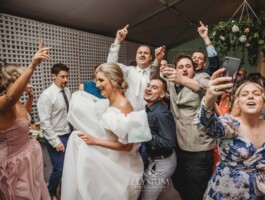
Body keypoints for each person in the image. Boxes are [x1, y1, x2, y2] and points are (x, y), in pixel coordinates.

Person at [193, 68, 265, 199]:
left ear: (264, 101)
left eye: (256, 93)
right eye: (244, 94)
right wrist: (209, 99)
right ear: (238, 102)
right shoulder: (230, 123)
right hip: (227, 193)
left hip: (259, 193)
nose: (250, 96)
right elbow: (206, 125)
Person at [61, 63, 152, 200]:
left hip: (121, 166)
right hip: (110, 159)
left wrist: (95, 141)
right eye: (97, 80)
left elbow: (128, 146)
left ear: (114, 81)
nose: (97, 84)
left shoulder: (124, 104)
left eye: (101, 80)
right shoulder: (109, 102)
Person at [161, 21, 219, 200]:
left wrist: (206, 39)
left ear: (194, 69)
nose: (185, 69)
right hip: (179, 145)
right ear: (175, 69)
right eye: (180, 67)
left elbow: (205, 88)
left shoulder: (201, 77)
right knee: (180, 184)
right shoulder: (172, 83)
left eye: (188, 66)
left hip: (199, 147)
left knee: (197, 188)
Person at [0, 41, 50, 200]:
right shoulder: (3, 102)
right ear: (9, 79)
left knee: (36, 191)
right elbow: (10, 97)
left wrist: (30, 98)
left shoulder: (17, 103)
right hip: (14, 164)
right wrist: (32, 65)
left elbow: (22, 117)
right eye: (20, 77)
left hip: (28, 156)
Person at [107, 24, 164, 111]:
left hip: (148, 116)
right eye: (139, 52)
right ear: (136, 56)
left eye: (146, 53)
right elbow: (111, 66)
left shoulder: (155, 74)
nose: (142, 55)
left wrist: (158, 60)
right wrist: (117, 41)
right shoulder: (128, 71)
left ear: (150, 57)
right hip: (128, 114)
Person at [37, 63, 71, 200]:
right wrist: (56, 141)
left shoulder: (67, 91)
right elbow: (45, 122)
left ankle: (64, 191)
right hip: (56, 137)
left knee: (69, 167)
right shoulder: (46, 96)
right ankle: (50, 193)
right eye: (62, 77)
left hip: (68, 134)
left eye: (67, 76)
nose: (65, 80)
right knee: (59, 168)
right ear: (54, 76)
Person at [140, 78, 176, 199]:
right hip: (153, 160)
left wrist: (147, 133)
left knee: (147, 197)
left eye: (154, 87)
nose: (149, 89)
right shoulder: (149, 108)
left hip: (162, 162)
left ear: (161, 95)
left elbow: (169, 143)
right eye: (148, 85)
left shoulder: (161, 113)